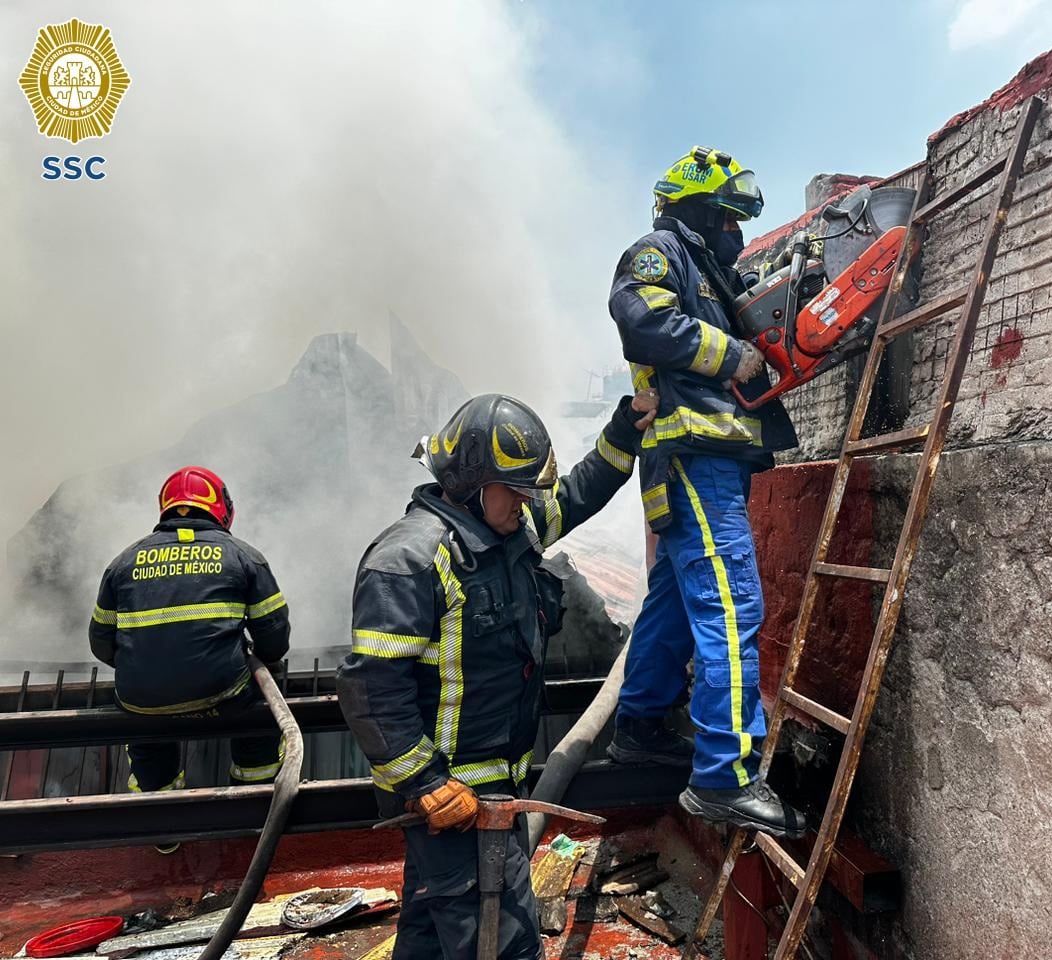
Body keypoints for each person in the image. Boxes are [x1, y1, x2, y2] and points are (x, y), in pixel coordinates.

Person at [337, 392, 655, 960]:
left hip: (491, 791)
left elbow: (576, 494)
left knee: (431, 937)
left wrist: (625, 428)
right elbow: (371, 689)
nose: (529, 502)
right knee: (504, 944)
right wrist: (426, 786)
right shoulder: (410, 559)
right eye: (518, 489)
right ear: (473, 485)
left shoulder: (508, 533)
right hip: (454, 801)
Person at [605, 145, 805, 839]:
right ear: (695, 208)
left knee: (675, 601)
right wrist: (733, 354)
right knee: (730, 601)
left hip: (700, 458)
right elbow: (642, 319)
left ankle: (640, 724)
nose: (737, 233)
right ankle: (724, 775)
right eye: (726, 218)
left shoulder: (710, 269)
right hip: (694, 457)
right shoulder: (660, 252)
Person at [88, 466, 291, 793]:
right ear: (222, 509)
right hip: (223, 694)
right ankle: (253, 795)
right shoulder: (243, 557)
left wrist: (148, 665)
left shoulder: (122, 563)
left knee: (146, 735)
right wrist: (257, 659)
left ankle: (162, 822)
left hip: (141, 699)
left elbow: (100, 642)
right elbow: (274, 635)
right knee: (265, 699)